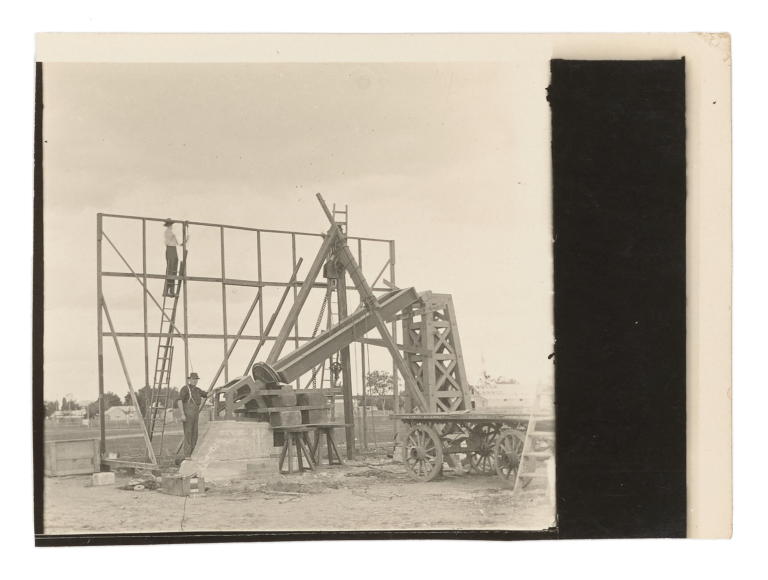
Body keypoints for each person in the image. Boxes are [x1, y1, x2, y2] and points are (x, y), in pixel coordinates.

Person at [177, 372, 207, 459]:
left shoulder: (198, 390)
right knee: (188, 433)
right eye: (193, 379)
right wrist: (182, 414)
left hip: (195, 414)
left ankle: (192, 454)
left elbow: (207, 394)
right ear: (189, 380)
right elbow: (179, 401)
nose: (194, 381)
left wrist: (216, 390)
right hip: (187, 414)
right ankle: (187, 455)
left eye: (196, 379)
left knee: (195, 434)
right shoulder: (185, 389)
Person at [163, 219, 187, 297]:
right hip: (170, 249)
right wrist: (175, 237)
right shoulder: (167, 232)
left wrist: (185, 239)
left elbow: (179, 243)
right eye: (170, 224)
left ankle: (172, 290)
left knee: (174, 270)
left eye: (171, 224)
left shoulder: (172, 233)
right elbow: (168, 242)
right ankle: (167, 290)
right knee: (170, 269)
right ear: (168, 225)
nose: (171, 226)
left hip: (173, 249)